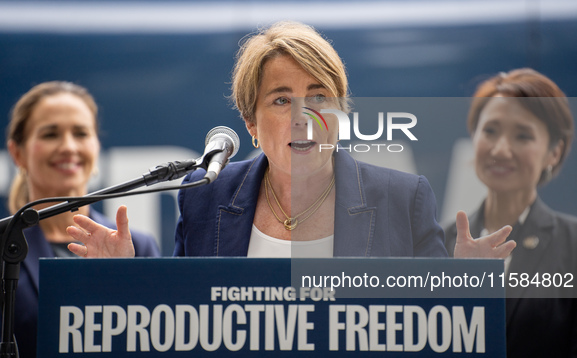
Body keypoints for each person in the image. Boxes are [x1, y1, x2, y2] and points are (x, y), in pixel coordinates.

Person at [68, 21, 515, 261]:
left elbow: (435, 336)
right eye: (282, 100)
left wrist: (466, 288)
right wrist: (122, 280)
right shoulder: (207, 199)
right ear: (251, 125)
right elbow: (184, 326)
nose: (304, 117)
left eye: (319, 97)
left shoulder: (402, 199)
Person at [5, 81, 160, 358]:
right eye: (50, 134)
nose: (68, 146)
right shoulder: (3, 247)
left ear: (96, 147)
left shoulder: (139, 247)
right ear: (17, 153)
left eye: (80, 133)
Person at [444, 69, 577, 358]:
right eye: (490, 131)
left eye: (522, 135)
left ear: (554, 151)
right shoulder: (437, 243)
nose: (500, 149)